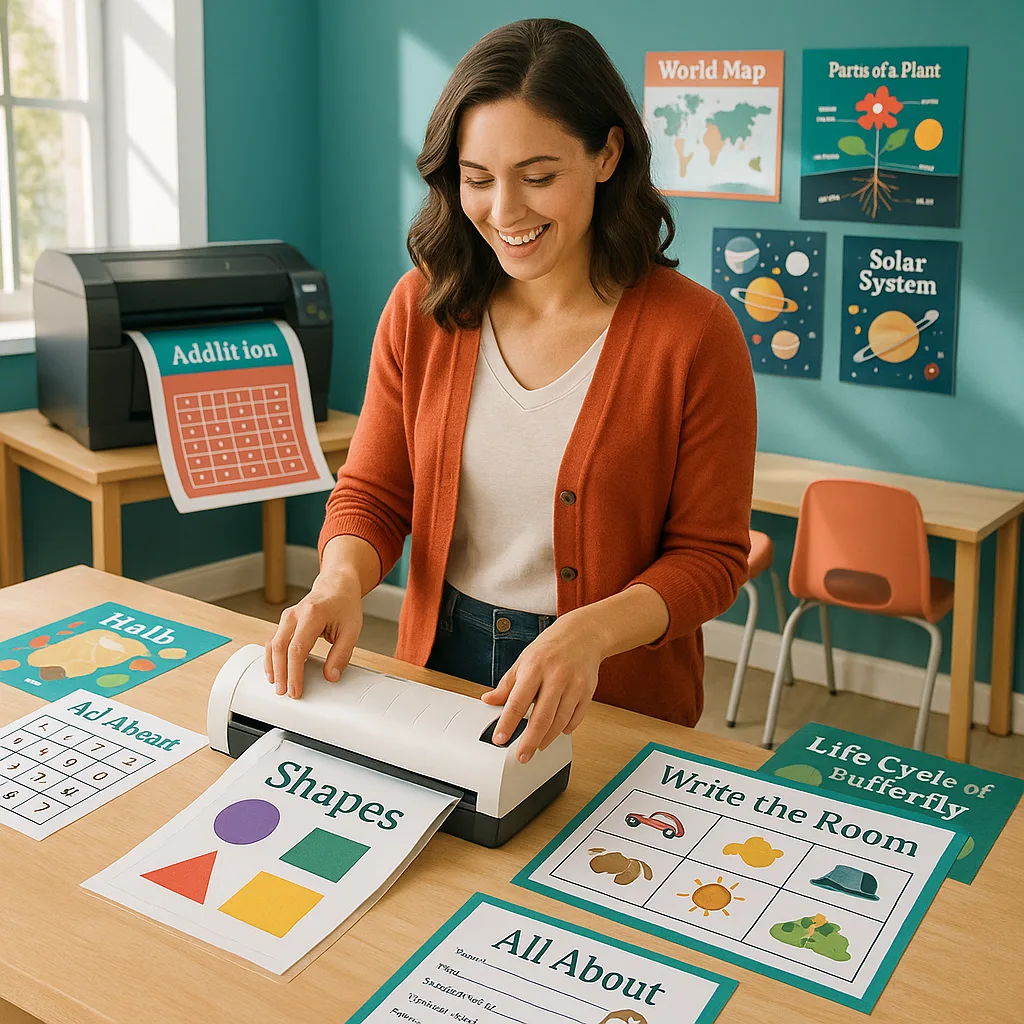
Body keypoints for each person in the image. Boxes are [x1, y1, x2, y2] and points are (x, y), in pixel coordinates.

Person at [266, 18, 756, 766]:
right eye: (478, 178)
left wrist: (590, 631)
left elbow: (709, 558)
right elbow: (374, 492)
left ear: (606, 154)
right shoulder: (421, 308)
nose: (505, 212)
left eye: (539, 176)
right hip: (438, 662)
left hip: (609, 682)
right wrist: (339, 580)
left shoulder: (695, 334)